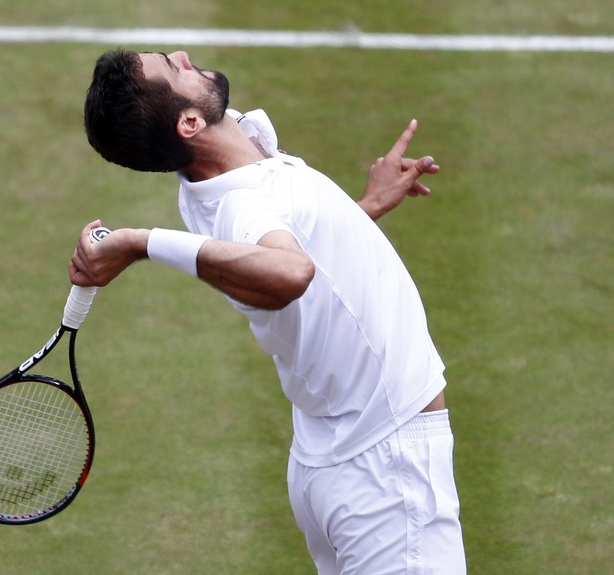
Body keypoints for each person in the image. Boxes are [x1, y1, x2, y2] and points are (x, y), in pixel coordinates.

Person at [72, 49, 466, 574]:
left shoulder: (228, 166)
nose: (186, 57)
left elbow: (294, 246)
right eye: (174, 67)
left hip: (336, 461)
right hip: (387, 476)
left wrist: (359, 212)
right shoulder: (243, 205)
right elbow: (289, 273)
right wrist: (140, 242)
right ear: (189, 123)